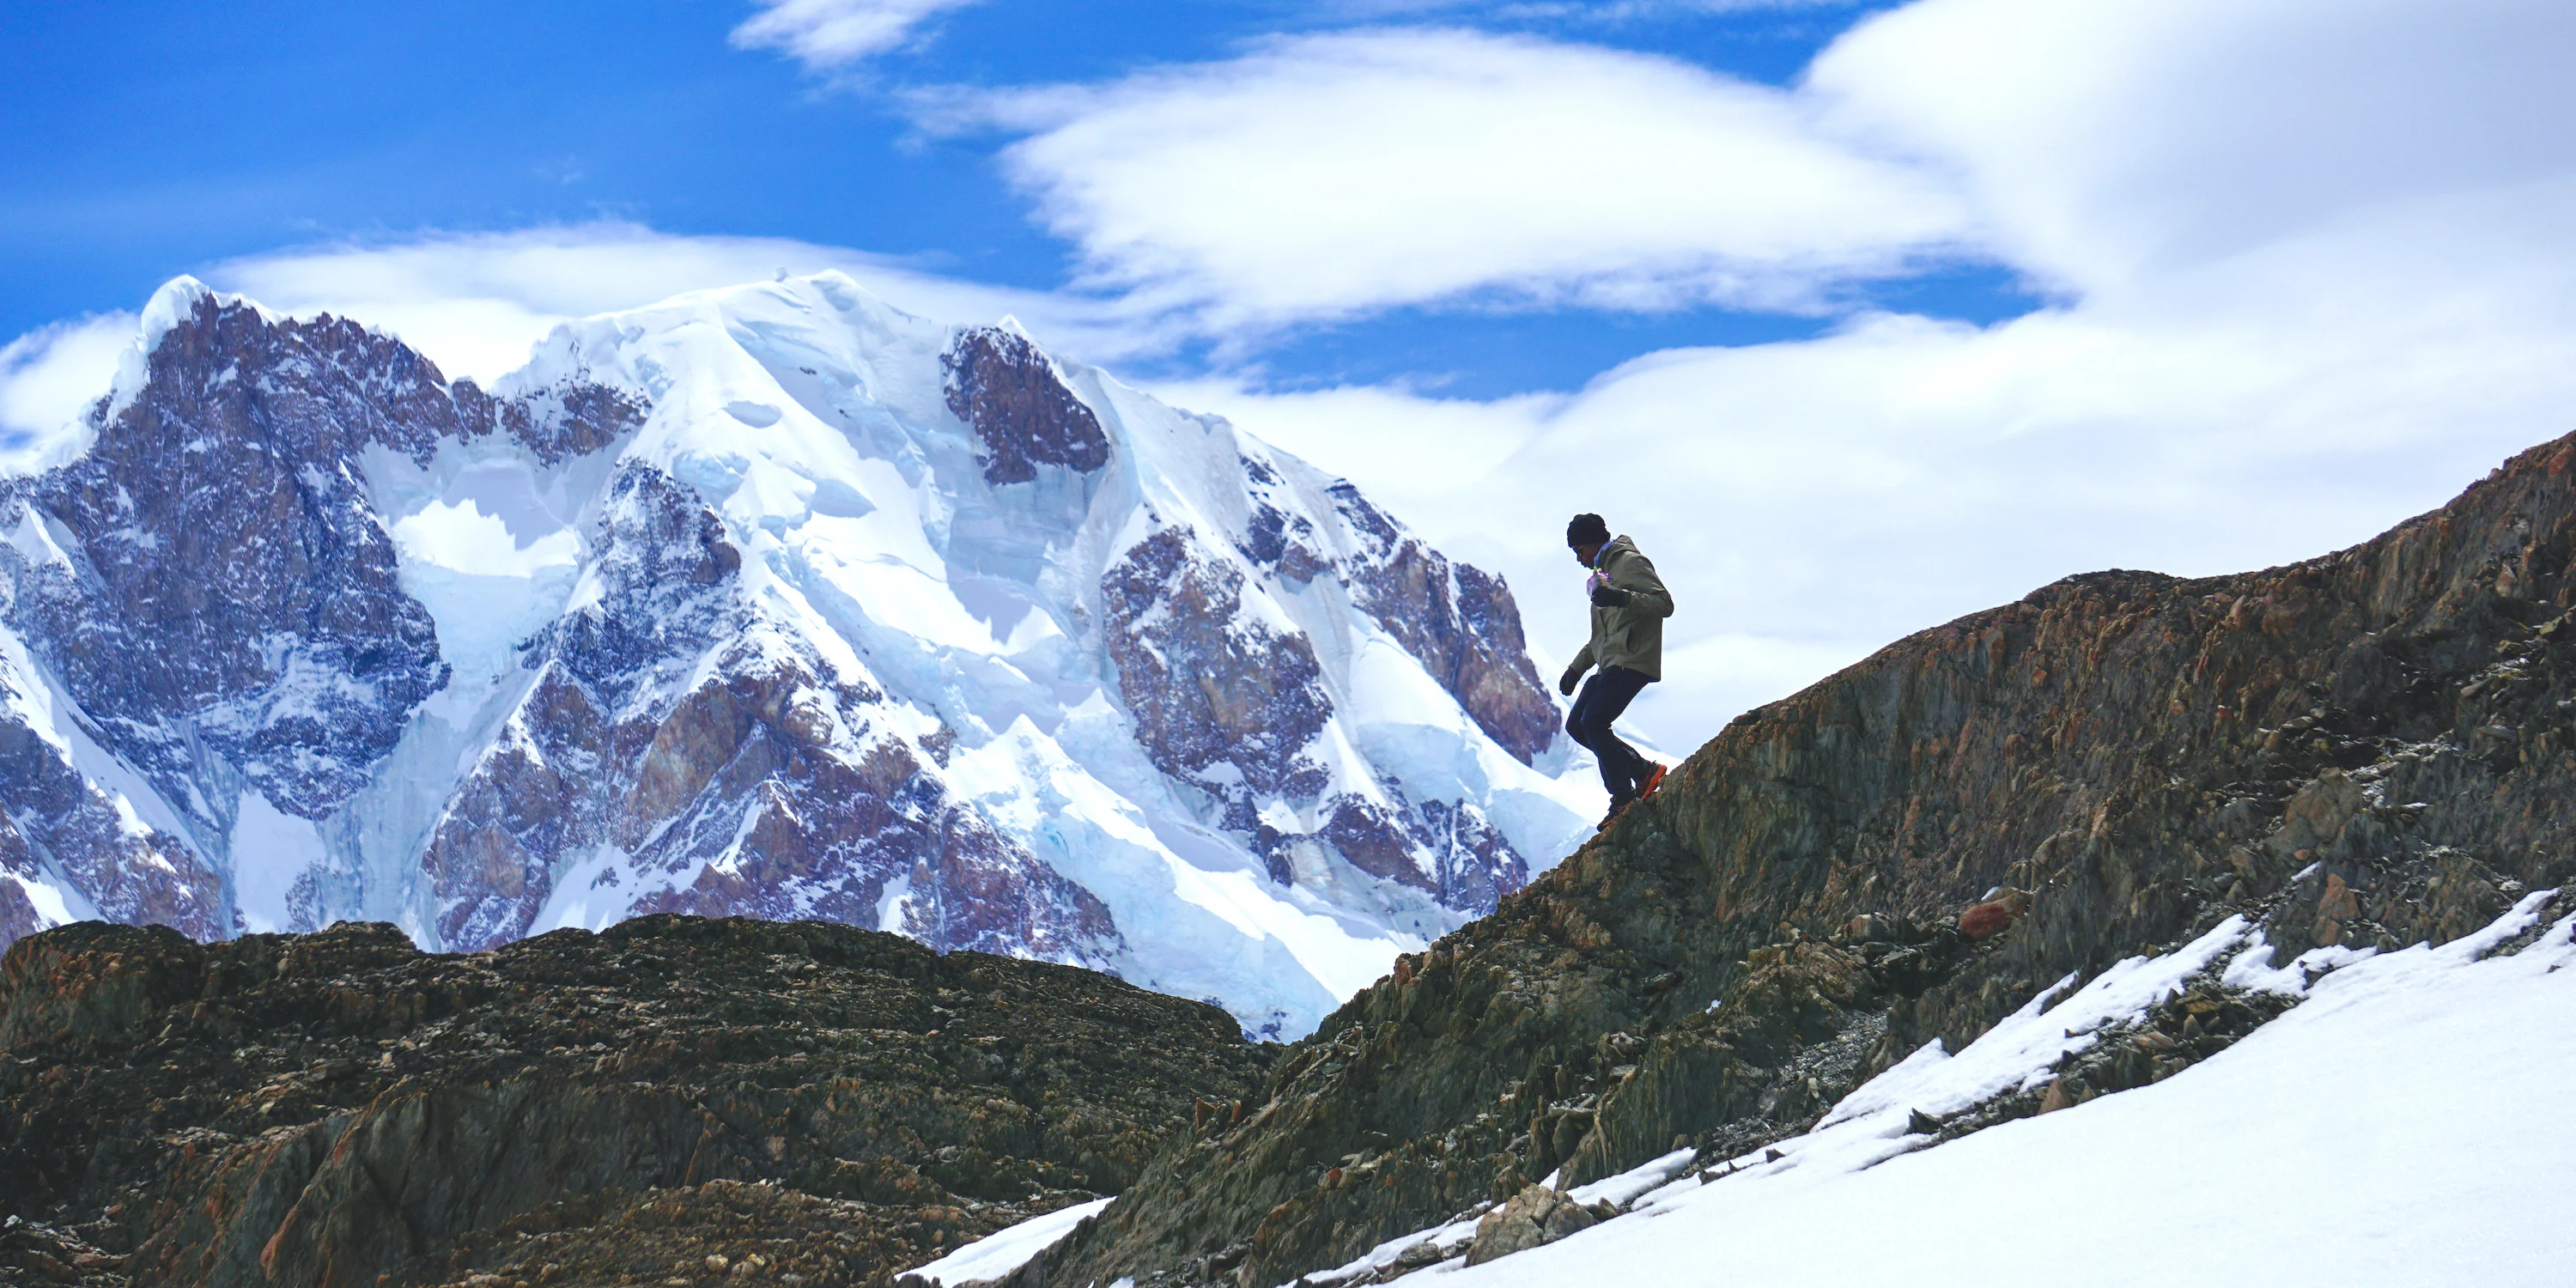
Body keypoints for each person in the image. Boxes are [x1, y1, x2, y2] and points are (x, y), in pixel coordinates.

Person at [1558, 513, 1673, 830]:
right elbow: (1600, 638)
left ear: (1594, 542)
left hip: (1633, 659)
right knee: (1578, 726)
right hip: (1611, 663)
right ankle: (1644, 772)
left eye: (1579, 551)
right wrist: (1575, 670)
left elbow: (1664, 604)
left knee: (1594, 721)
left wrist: (1621, 598)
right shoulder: (1602, 575)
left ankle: (1623, 797)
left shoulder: (1630, 563)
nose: (1579, 560)